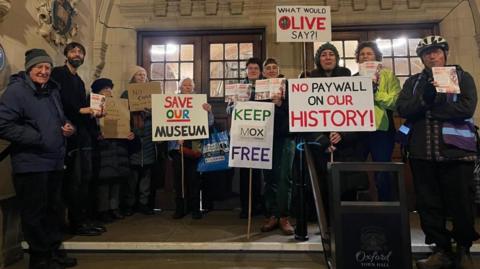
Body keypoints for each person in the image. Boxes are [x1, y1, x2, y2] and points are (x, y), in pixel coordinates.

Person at [397, 35, 479, 269]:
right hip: (422, 153)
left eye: (436, 51)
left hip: (457, 152)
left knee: (461, 203)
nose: (432, 56)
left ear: (445, 53)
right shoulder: (413, 82)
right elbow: (403, 108)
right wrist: (425, 99)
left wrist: (431, 111)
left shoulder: (463, 77)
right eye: (427, 53)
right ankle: (441, 250)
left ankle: (463, 249)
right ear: (421, 58)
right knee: (428, 205)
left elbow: (466, 107)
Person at [0, 49, 77, 268]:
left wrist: (68, 127)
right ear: (29, 68)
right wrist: (36, 137)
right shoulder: (16, 92)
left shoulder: (52, 91)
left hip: (54, 160)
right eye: (39, 67)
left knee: (53, 210)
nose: (44, 72)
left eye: (47, 68)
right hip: (31, 162)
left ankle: (53, 251)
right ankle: (40, 258)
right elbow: (3, 124)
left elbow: (60, 118)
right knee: (35, 213)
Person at [299, 43, 367, 222]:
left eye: (331, 54)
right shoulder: (308, 82)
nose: (327, 57)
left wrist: (343, 134)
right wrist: (322, 140)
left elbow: (359, 115)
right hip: (321, 148)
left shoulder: (351, 81)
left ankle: (347, 222)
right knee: (323, 186)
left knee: (347, 186)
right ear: (318, 60)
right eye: (323, 55)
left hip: (347, 148)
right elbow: (303, 116)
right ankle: (326, 223)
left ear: (336, 58)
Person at [51, 42, 105, 236]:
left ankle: (81, 220)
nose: (77, 54)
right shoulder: (58, 74)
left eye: (81, 52)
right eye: (73, 51)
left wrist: (94, 113)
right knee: (72, 182)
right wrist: (82, 110)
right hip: (67, 136)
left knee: (84, 179)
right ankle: (73, 224)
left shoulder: (80, 81)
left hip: (82, 136)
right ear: (66, 54)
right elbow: (58, 101)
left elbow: (83, 107)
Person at [354, 41, 401, 201]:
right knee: (355, 171)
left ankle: (386, 208)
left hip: (381, 130)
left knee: (382, 172)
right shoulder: (353, 78)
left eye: (369, 53)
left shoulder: (388, 76)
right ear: (358, 59)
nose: (365, 56)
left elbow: (395, 102)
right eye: (362, 54)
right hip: (358, 130)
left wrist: (375, 93)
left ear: (376, 57)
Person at [168, 77, 214, 219]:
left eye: (190, 85)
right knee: (179, 180)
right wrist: (175, 139)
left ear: (193, 88)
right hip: (178, 145)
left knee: (194, 179)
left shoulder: (199, 103)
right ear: (180, 87)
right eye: (185, 85)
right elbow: (165, 123)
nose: (187, 87)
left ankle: (195, 209)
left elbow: (210, 123)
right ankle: (180, 209)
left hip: (194, 145)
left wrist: (209, 111)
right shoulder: (171, 103)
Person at [90, 78, 135, 223]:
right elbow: (89, 126)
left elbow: (125, 123)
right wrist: (96, 134)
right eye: (104, 89)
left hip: (118, 148)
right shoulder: (92, 106)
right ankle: (102, 210)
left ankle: (114, 208)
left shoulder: (118, 105)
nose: (108, 91)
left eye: (109, 89)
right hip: (103, 150)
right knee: (104, 183)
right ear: (98, 92)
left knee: (116, 181)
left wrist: (129, 134)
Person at [259, 58, 295, 235]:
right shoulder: (258, 89)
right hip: (265, 138)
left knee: (284, 177)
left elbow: (296, 109)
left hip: (286, 137)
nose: (272, 70)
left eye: (274, 67)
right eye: (268, 68)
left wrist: (280, 103)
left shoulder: (288, 87)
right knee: (269, 177)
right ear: (263, 72)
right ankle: (272, 214)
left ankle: (284, 216)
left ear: (279, 70)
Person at [227, 57, 264, 218]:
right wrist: (235, 105)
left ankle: (257, 205)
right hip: (242, 135)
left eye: (256, 68)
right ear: (246, 71)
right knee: (244, 173)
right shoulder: (238, 88)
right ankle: (245, 207)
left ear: (260, 71)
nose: (253, 71)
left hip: (262, 134)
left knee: (259, 172)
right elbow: (228, 110)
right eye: (250, 68)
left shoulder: (266, 87)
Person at [120, 66, 157, 216]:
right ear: (133, 77)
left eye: (144, 75)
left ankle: (143, 204)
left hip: (148, 138)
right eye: (139, 74)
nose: (142, 77)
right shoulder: (126, 94)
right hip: (134, 137)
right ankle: (129, 204)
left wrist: (150, 111)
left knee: (146, 175)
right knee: (132, 176)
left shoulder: (152, 94)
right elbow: (121, 113)